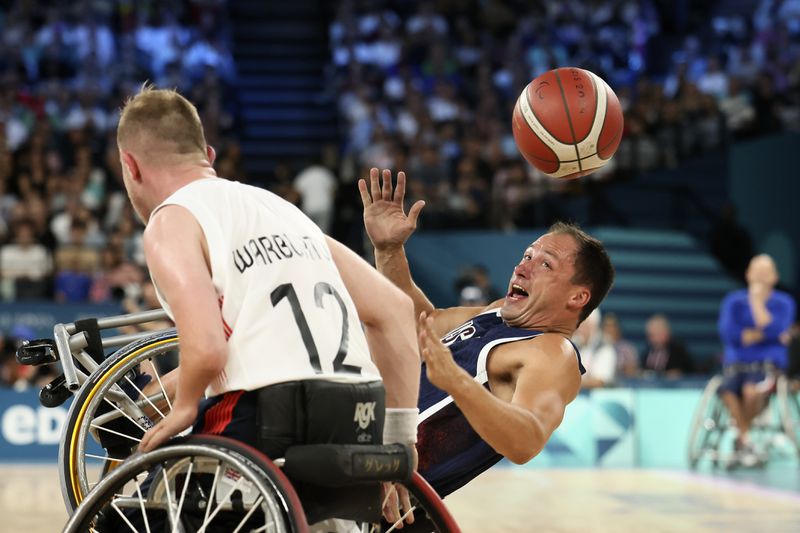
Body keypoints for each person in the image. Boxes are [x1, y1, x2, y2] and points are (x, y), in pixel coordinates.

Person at [114, 87, 421, 526]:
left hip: (267, 411)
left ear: (130, 165)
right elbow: (394, 309)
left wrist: (182, 407)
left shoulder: (171, 220)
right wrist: (399, 441)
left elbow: (206, 350)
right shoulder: (281, 209)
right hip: (357, 410)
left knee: (140, 515)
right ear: (210, 155)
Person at [359, 168, 615, 497]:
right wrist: (389, 251)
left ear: (577, 297)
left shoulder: (553, 353)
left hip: (379, 488)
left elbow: (526, 442)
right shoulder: (498, 313)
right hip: (359, 445)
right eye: (527, 255)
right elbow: (423, 323)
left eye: (545, 264)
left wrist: (456, 381)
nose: (521, 267)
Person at [717, 254, 796, 459]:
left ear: (775, 277)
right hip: (736, 364)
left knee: (751, 392)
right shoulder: (733, 301)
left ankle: (741, 435)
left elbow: (777, 329)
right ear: (747, 274)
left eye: (765, 272)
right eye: (756, 271)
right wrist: (764, 334)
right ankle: (746, 436)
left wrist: (756, 303)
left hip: (768, 365)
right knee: (726, 391)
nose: (760, 276)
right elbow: (729, 334)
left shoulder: (784, 302)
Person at [573, 309, 617, 389]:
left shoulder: (605, 347)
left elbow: (599, 381)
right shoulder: (575, 343)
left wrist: (568, 383)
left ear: (593, 326)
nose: (579, 328)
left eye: (583, 325)